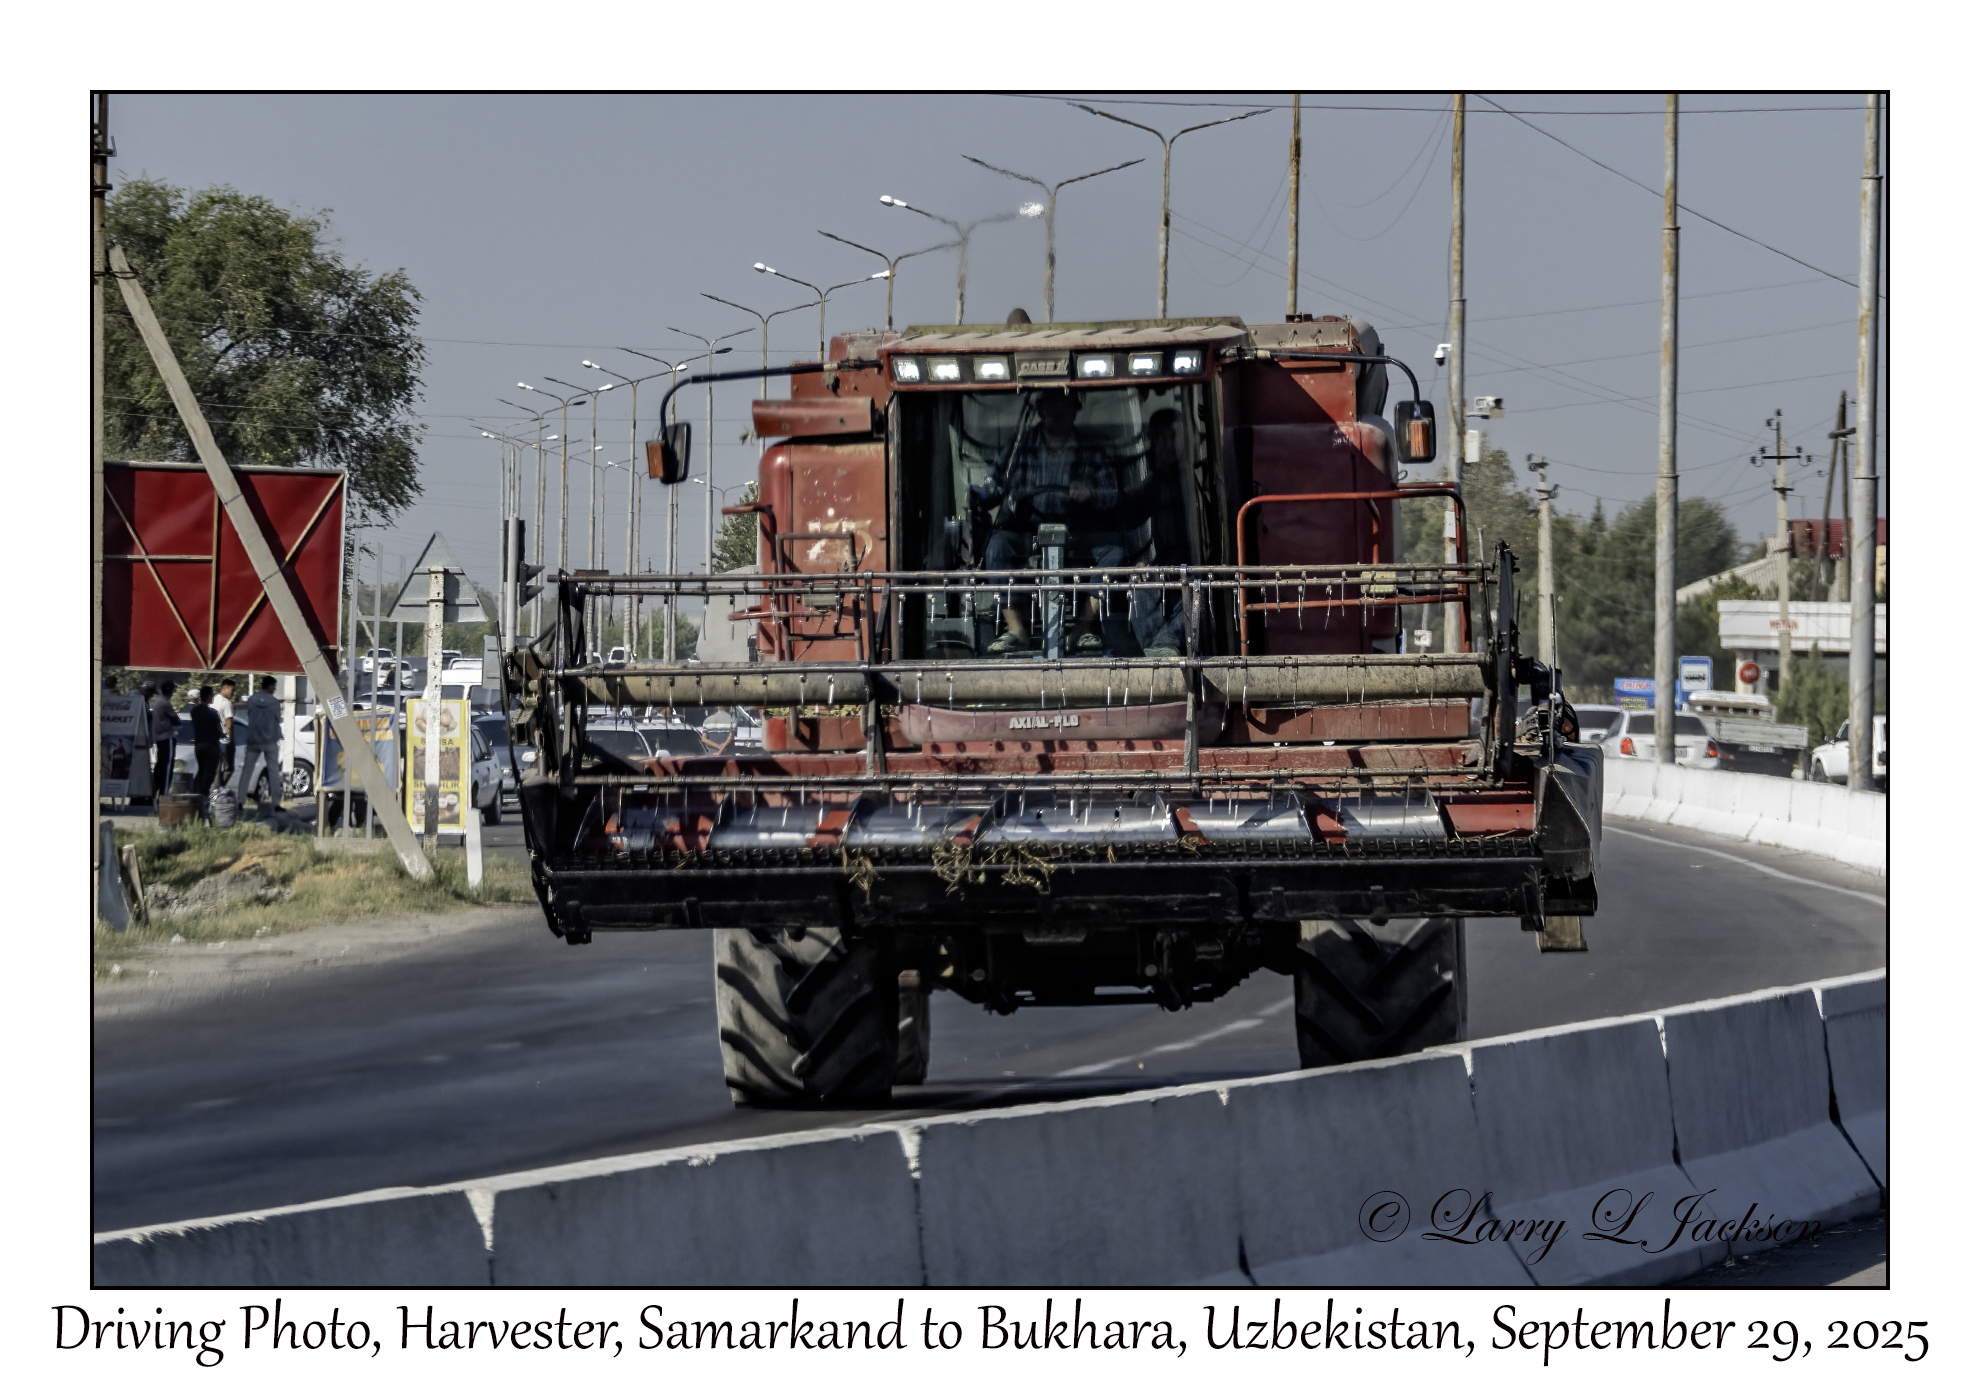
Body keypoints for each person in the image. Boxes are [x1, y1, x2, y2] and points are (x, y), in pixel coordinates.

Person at [973, 390, 1124, 655]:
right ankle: (1017, 630)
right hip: (1028, 531)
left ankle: (1082, 628)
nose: (1059, 414)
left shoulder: (1091, 449)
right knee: (997, 546)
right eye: (1052, 407)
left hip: (1076, 532)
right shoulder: (1018, 448)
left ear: (1075, 411)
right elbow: (992, 485)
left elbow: (1112, 496)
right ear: (1041, 410)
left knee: (1113, 550)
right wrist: (984, 494)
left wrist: (1090, 493)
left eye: (1065, 407)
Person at [237, 676, 285, 815]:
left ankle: (240, 801)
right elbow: (277, 718)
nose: (275, 689)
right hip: (270, 740)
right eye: (274, 686)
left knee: (247, 770)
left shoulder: (252, 700)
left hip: (253, 739)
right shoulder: (274, 702)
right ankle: (276, 803)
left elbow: (250, 715)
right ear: (269, 686)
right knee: (273, 771)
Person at [189, 686, 225, 816]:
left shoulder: (194, 711)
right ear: (209, 696)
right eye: (212, 695)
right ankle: (203, 798)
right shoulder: (212, 713)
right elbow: (219, 729)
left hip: (199, 745)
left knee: (201, 770)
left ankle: (195, 796)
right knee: (209, 773)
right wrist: (223, 735)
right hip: (211, 745)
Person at [148, 679, 180, 799]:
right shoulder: (165, 703)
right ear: (170, 691)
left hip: (159, 738)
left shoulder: (157, 702)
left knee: (160, 765)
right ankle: (164, 793)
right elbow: (176, 720)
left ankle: (154, 791)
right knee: (167, 766)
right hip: (167, 737)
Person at [213, 678, 238, 784]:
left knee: (217, 767)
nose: (233, 693)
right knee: (229, 767)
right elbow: (229, 724)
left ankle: (215, 788)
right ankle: (219, 787)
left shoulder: (214, 699)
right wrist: (232, 741)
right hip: (224, 738)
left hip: (214, 738)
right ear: (225, 688)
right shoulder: (226, 703)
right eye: (232, 690)